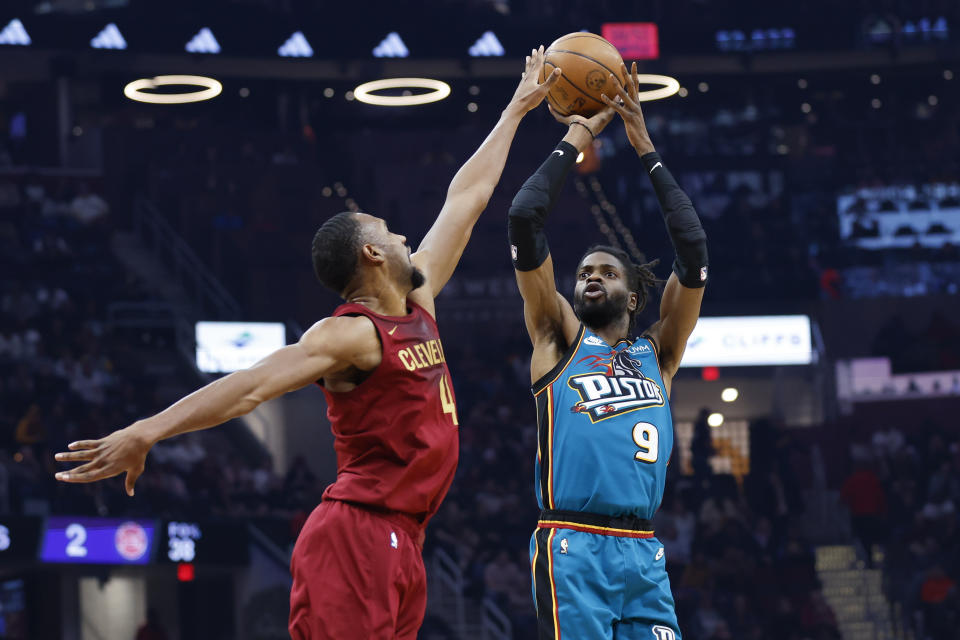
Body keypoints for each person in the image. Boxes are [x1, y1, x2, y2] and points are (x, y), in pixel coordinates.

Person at [53, 48, 563, 640]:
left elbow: (466, 200)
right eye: (388, 231)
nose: (403, 234)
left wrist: (518, 108)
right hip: (356, 535)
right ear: (372, 255)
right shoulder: (349, 333)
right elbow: (250, 388)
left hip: (405, 539)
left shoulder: (418, 300)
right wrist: (149, 430)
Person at [507, 62, 708, 640]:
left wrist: (643, 144)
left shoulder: (660, 355)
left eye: (606, 272)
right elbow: (524, 219)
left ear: (634, 294)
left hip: (643, 550)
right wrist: (579, 134)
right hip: (572, 543)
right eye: (584, 273)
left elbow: (693, 251)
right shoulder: (557, 339)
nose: (591, 278)